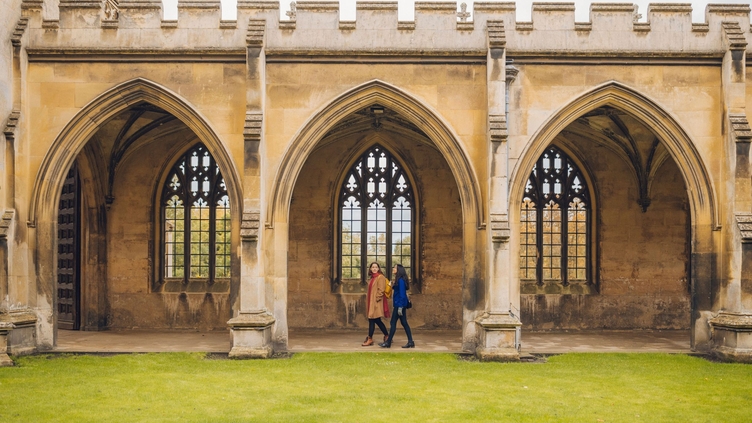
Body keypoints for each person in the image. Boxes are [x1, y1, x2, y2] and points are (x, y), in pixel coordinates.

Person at [379, 264, 414, 348]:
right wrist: (392, 285)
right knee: (404, 323)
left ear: (399, 270)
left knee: (393, 322)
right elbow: (399, 289)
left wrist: (401, 307)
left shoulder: (401, 280)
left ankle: (388, 342)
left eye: (394, 268)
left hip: (400, 305)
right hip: (399, 304)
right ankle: (410, 342)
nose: (393, 269)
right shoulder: (399, 280)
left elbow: (402, 294)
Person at [362, 262, 390, 346]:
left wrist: (376, 300)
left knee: (372, 320)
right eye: (372, 267)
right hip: (371, 302)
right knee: (376, 320)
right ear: (370, 269)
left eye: (376, 267)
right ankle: (387, 336)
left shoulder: (380, 277)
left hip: (376, 303)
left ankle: (370, 338)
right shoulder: (371, 278)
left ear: (378, 269)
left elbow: (381, 290)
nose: (374, 268)